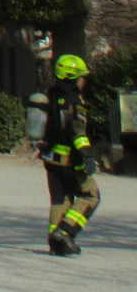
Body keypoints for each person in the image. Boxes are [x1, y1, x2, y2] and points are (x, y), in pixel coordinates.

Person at [41, 54, 101, 256]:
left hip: (50, 158)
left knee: (60, 199)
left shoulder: (50, 96)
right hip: (69, 159)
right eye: (81, 76)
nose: (83, 80)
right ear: (73, 77)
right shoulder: (75, 101)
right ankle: (66, 232)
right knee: (91, 195)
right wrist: (87, 156)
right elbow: (78, 132)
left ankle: (56, 244)